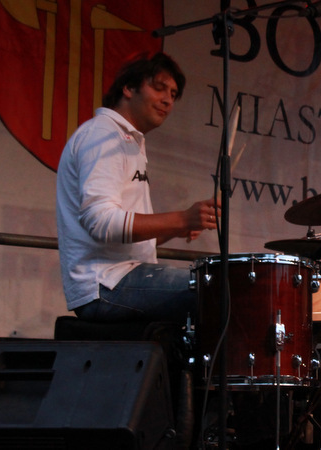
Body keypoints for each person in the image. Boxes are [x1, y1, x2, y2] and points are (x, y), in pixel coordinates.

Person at [56, 51, 220, 324]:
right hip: (106, 283)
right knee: (220, 289)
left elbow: (124, 238)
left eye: (173, 94)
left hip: (122, 276)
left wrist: (176, 228)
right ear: (129, 88)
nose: (168, 100)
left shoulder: (128, 141)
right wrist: (182, 218)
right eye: (159, 88)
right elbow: (100, 222)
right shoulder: (103, 135)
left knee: (219, 287)